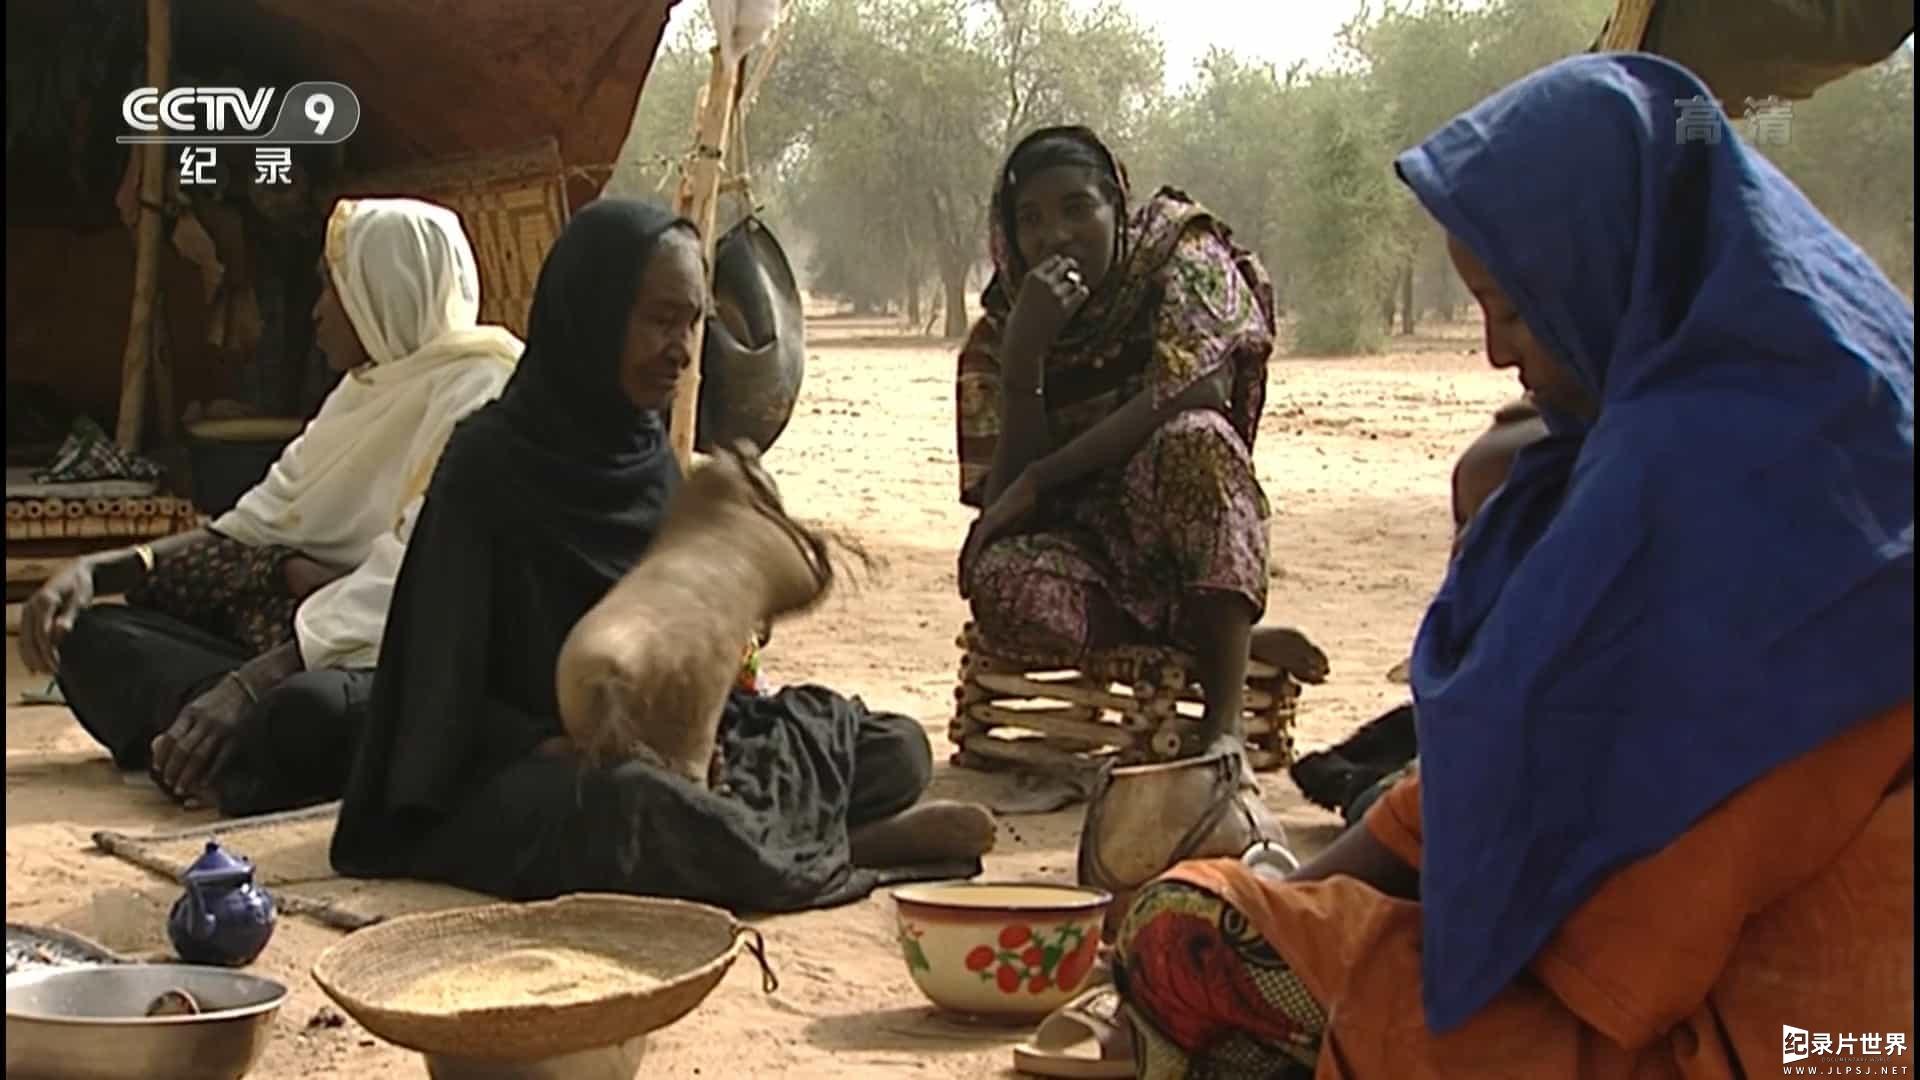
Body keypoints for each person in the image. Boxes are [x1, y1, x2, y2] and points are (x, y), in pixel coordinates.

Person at [1110, 55, 1913, 1077]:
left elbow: (1571, 843)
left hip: (1820, 1036)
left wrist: (1276, 908)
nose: (1494, 350)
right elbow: (1490, 787)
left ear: (1605, 267)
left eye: (1517, 310)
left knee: (1187, 938)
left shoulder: (1678, 484)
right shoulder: (1840, 387)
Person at [329, 199, 996, 912]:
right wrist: (560, 742)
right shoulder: (488, 464)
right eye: (658, 320)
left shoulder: (647, 455)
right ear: (590, 314)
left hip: (672, 746)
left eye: (691, 322)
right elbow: (440, 687)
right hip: (533, 768)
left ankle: (752, 837)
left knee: (893, 747)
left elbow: (678, 629)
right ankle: (844, 845)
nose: (682, 348)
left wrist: (707, 700)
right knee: (629, 807)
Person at [19, 198, 521, 816]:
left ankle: (226, 746)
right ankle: (224, 752)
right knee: (95, 637)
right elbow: (250, 527)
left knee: (306, 710)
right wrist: (95, 570)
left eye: (329, 287)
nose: (316, 312)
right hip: (305, 639)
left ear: (380, 290)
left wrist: (249, 685)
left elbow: (420, 585)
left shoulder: (483, 396)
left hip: (401, 664)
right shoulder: (364, 392)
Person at [955, 125, 1325, 758]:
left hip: (1175, 521)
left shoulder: (1178, 252)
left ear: (1117, 209)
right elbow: (1004, 513)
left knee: (1198, 443)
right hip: (1086, 547)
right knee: (1000, 582)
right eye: (1031, 219)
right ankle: (1208, 635)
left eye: (1078, 208)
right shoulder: (1001, 334)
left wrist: (1044, 476)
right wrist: (1026, 360)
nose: (1055, 235)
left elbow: (1196, 390)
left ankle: (1223, 730)